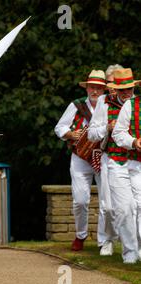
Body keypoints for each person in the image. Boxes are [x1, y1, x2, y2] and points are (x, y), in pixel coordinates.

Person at [54, 70, 107, 251]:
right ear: (87, 88)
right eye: (92, 87)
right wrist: (70, 134)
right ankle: (80, 235)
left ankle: (103, 241)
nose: (95, 91)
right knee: (80, 200)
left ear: (104, 89)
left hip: (103, 156)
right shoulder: (77, 106)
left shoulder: (110, 106)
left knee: (105, 201)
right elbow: (60, 127)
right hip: (80, 157)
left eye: (99, 88)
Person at [88, 65, 128, 257]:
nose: (114, 87)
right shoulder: (104, 102)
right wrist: (107, 127)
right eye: (111, 83)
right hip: (109, 156)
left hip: (132, 158)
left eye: (117, 84)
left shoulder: (134, 103)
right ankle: (107, 240)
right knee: (108, 205)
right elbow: (91, 133)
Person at [110, 68, 141, 263]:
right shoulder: (131, 106)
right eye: (121, 89)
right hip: (117, 163)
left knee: (140, 206)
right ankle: (130, 253)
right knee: (124, 208)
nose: (125, 92)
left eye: (128, 88)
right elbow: (118, 133)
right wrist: (134, 142)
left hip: (138, 165)